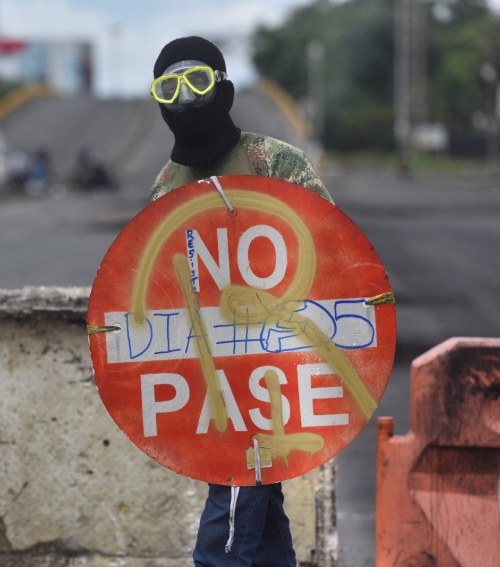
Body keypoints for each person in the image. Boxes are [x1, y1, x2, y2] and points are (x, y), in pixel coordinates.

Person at [149, 36, 334, 567]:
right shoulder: (168, 184)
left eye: (198, 82)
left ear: (223, 88)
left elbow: (334, 257)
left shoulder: (274, 161)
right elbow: (158, 286)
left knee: (225, 528)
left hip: (273, 370)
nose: (185, 99)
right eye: (170, 87)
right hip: (210, 378)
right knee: (262, 513)